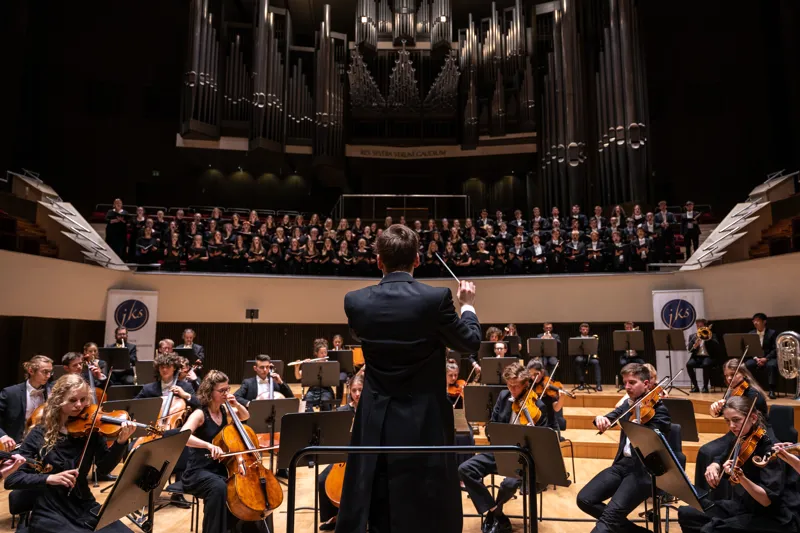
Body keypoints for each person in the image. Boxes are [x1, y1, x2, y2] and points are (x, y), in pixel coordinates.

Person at [335, 224, 481, 533]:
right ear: (417, 259)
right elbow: (469, 341)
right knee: (425, 501)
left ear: (378, 261)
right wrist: (467, 305)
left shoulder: (356, 302)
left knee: (378, 496)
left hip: (376, 418)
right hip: (423, 420)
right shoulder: (435, 299)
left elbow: (359, 333)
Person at [4, 374, 136, 533]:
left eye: (83, 399)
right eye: (72, 400)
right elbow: (12, 479)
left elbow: (104, 468)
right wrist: (49, 478)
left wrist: (120, 443)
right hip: (50, 507)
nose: (79, 405)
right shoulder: (39, 434)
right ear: (58, 400)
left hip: (83, 503)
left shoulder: (90, 431)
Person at [678, 395, 797, 533]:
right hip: (743, 505)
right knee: (687, 513)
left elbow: (766, 500)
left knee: (711, 529)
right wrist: (714, 466)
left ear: (753, 418)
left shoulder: (769, 449)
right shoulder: (741, 438)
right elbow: (722, 457)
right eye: (727, 421)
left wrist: (741, 478)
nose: (731, 426)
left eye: (736, 420)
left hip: (770, 516)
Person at [577, 363, 671, 533]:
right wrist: (601, 419)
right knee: (584, 499)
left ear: (647, 384)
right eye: (625, 382)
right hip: (623, 465)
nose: (627, 387)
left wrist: (640, 430)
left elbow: (655, 440)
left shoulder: (660, 412)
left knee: (608, 520)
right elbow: (611, 416)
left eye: (632, 382)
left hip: (644, 471)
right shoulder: (629, 404)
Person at [459, 362, 548, 533]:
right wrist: (492, 431)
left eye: (516, 387)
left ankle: (494, 515)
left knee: (509, 483)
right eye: (509, 385)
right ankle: (496, 512)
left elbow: (542, 443)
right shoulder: (503, 396)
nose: (512, 390)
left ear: (525, 384)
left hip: (521, 458)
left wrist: (531, 431)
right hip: (499, 451)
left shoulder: (538, 407)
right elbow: (491, 425)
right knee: (465, 469)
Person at [180, 370, 262, 533]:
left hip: (220, 468)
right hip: (198, 471)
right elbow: (183, 436)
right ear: (210, 392)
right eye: (222, 390)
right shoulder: (200, 414)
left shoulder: (225, 411)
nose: (226, 393)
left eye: (227, 389)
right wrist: (208, 446)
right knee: (219, 488)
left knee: (250, 487)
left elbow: (245, 416)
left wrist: (237, 404)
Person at [694, 358, 770, 498]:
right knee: (704, 450)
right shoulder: (733, 391)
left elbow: (751, 421)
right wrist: (714, 410)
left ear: (743, 374)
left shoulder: (753, 394)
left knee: (711, 453)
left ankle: (721, 497)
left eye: (733, 374)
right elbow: (726, 414)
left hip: (754, 432)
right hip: (737, 432)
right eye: (726, 375)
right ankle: (702, 496)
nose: (729, 378)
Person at [317, 372, 364, 531]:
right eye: (354, 391)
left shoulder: (370, 411)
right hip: (343, 458)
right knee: (322, 479)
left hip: (364, 457)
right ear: (349, 392)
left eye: (360, 390)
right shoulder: (343, 411)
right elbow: (332, 436)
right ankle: (333, 517)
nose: (357, 394)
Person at [0, 355, 54, 450]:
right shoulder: (11, 393)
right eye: (45, 372)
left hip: (41, 447)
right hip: (14, 447)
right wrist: (2, 436)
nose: (48, 376)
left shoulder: (51, 393)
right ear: (31, 371)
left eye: (50, 372)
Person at [134, 353, 200, 409]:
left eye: (168, 367)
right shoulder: (148, 389)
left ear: (174, 368)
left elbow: (198, 405)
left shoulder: (186, 386)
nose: (164, 370)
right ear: (158, 369)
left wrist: (185, 395)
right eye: (162, 367)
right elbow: (134, 404)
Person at [294, 339, 335, 412]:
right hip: (313, 390)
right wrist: (298, 367)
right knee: (306, 403)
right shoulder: (311, 363)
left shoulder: (330, 364)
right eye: (321, 353)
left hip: (326, 390)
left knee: (325, 402)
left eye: (325, 352)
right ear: (317, 354)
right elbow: (298, 376)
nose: (324, 355)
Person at [747, 313, 779, 399]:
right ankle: (750, 388)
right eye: (754, 321)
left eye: (758, 320)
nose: (755, 323)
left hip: (769, 358)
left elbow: (775, 349)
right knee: (746, 365)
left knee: (772, 365)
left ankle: (772, 390)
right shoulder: (751, 333)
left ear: (764, 322)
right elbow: (750, 349)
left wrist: (766, 358)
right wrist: (756, 358)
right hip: (756, 358)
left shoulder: (772, 333)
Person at [687, 318, 720, 393]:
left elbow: (717, 347)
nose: (699, 328)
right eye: (697, 326)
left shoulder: (711, 335)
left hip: (709, 357)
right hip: (697, 357)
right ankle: (696, 387)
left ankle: (705, 387)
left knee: (705, 364)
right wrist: (695, 346)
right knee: (689, 364)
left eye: (700, 326)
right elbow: (690, 350)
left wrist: (709, 338)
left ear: (705, 326)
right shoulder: (693, 336)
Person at [575, 323, 602, 391]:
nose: (585, 331)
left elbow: (597, 349)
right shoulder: (577, 339)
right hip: (581, 357)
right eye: (583, 329)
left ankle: (598, 384)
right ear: (580, 330)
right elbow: (574, 349)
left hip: (590, 358)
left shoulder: (592, 338)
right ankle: (581, 383)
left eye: (586, 330)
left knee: (596, 362)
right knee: (578, 360)